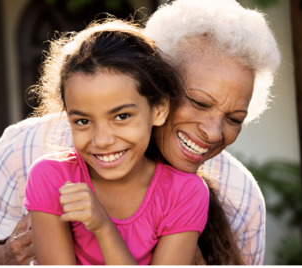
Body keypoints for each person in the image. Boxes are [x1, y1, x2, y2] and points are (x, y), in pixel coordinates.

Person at [0, 0, 280, 265]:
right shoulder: (29, 149)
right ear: (159, 89)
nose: (212, 132)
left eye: (234, 117)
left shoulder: (241, 196)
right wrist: (4, 256)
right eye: (198, 102)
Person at [23, 21, 209, 265]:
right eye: (82, 121)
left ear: (159, 110)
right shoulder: (52, 178)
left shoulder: (184, 192)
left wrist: (103, 227)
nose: (102, 140)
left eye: (121, 117)